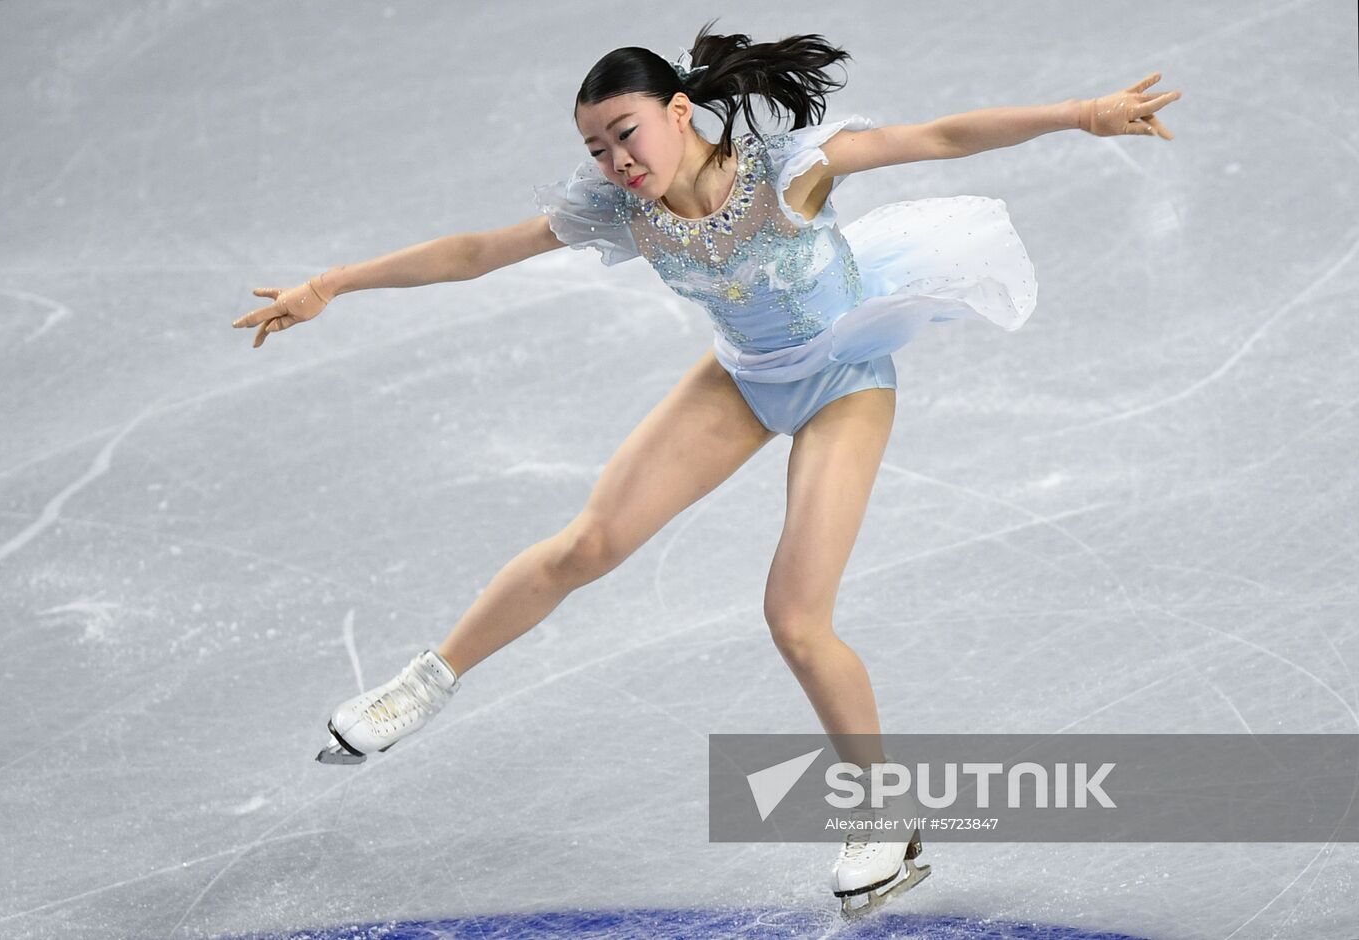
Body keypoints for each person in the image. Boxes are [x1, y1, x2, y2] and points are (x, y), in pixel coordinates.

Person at [231, 20, 1180, 918]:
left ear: (679, 112)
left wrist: (1083, 114)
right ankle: (422, 685)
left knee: (796, 619)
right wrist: (330, 286)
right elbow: (480, 251)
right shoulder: (617, 209)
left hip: (844, 372)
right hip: (744, 378)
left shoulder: (787, 171)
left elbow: (936, 136)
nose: (615, 162)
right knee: (587, 544)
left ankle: (885, 822)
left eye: (626, 134)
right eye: (598, 148)